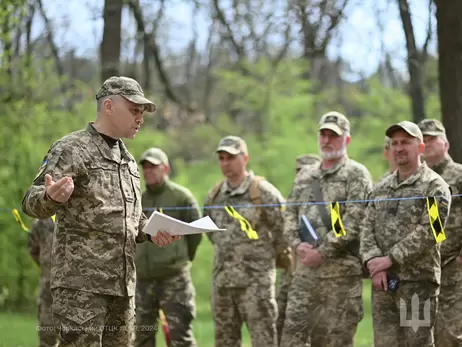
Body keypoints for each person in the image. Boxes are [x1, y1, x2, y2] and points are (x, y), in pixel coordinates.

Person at [21, 76, 179, 347]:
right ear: (108, 106)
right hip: (82, 288)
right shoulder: (72, 149)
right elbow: (30, 201)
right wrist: (50, 197)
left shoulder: (128, 160)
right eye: (134, 110)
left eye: (141, 112)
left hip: (123, 289)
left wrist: (152, 230)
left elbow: (129, 219)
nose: (140, 118)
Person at [280, 111, 372, 347]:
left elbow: (356, 220)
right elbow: (289, 213)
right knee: (292, 340)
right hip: (304, 276)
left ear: (347, 140)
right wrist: (296, 244)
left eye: (334, 135)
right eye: (323, 134)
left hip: (340, 277)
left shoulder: (356, 174)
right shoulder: (305, 176)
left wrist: (322, 252)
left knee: (335, 341)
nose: (327, 140)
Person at [360, 120, 452, 347]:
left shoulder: (434, 186)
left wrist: (389, 259)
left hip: (417, 285)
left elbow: (432, 231)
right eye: (395, 143)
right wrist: (373, 261)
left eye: (406, 142)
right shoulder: (380, 188)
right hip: (384, 285)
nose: (399, 147)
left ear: (420, 147)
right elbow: (366, 227)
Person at [203, 135, 290, 347]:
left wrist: (263, 260)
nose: (225, 163)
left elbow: (284, 231)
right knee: (224, 342)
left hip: (256, 286)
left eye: (231, 158)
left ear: (245, 158)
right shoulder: (214, 195)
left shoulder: (263, 192)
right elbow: (211, 231)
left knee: (264, 341)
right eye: (222, 158)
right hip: (223, 285)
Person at [134, 147, 202, 347]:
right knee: (141, 338)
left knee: (179, 337)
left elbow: (195, 232)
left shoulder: (181, 197)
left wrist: (180, 258)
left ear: (166, 169)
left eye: (153, 167)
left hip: (174, 279)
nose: (148, 171)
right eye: (145, 167)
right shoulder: (138, 198)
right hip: (142, 282)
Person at [417, 118, 462, 347]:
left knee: (450, 335)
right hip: (420, 269)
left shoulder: (459, 175)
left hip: (453, 266)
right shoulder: (416, 179)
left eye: (432, 138)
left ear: (446, 144)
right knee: (418, 333)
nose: (427, 143)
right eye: (422, 139)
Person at [275, 154, 321, 345]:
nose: (303, 176)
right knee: (281, 325)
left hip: (318, 276)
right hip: (290, 275)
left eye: (309, 171)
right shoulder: (291, 204)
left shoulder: (325, 206)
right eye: (299, 171)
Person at [28, 217, 59, 347]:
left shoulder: (81, 215)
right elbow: (33, 250)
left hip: (79, 293)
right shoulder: (40, 223)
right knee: (47, 338)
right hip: (48, 292)